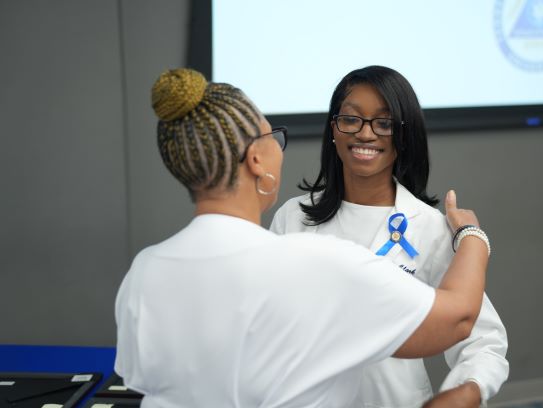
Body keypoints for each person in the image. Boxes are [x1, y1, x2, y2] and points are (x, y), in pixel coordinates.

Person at [115, 68, 491, 408]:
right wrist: (473, 237)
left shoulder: (144, 271)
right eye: (274, 139)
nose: (365, 132)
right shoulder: (315, 257)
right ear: (257, 161)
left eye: (384, 123)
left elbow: (148, 380)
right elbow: (456, 317)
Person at [270, 65, 509, 407]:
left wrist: (466, 390)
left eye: (384, 124)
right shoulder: (293, 218)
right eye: (351, 119)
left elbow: (483, 339)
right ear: (333, 129)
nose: (366, 134)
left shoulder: (428, 227)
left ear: (404, 135)